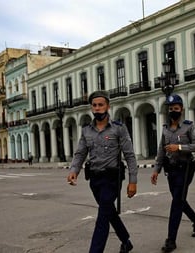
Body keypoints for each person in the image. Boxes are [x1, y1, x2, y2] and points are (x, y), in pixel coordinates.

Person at [67, 90, 138, 253]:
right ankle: (126, 241)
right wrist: (74, 170)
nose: (97, 108)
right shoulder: (86, 130)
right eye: (94, 105)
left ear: (107, 106)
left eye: (101, 105)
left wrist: (132, 181)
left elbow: (130, 155)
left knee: (102, 218)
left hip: (112, 179)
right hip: (95, 181)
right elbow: (80, 153)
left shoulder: (119, 129)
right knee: (109, 213)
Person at [151, 94, 195, 253]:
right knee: (179, 200)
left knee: (176, 203)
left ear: (181, 109)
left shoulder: (189, 126)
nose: (172, 111)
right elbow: (161, 150)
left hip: (185, 168)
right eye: (170, 109)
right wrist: (156, 169)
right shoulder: (165, 129)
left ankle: (171, 240)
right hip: (171, 170)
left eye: (175, 108)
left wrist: (179, 147)